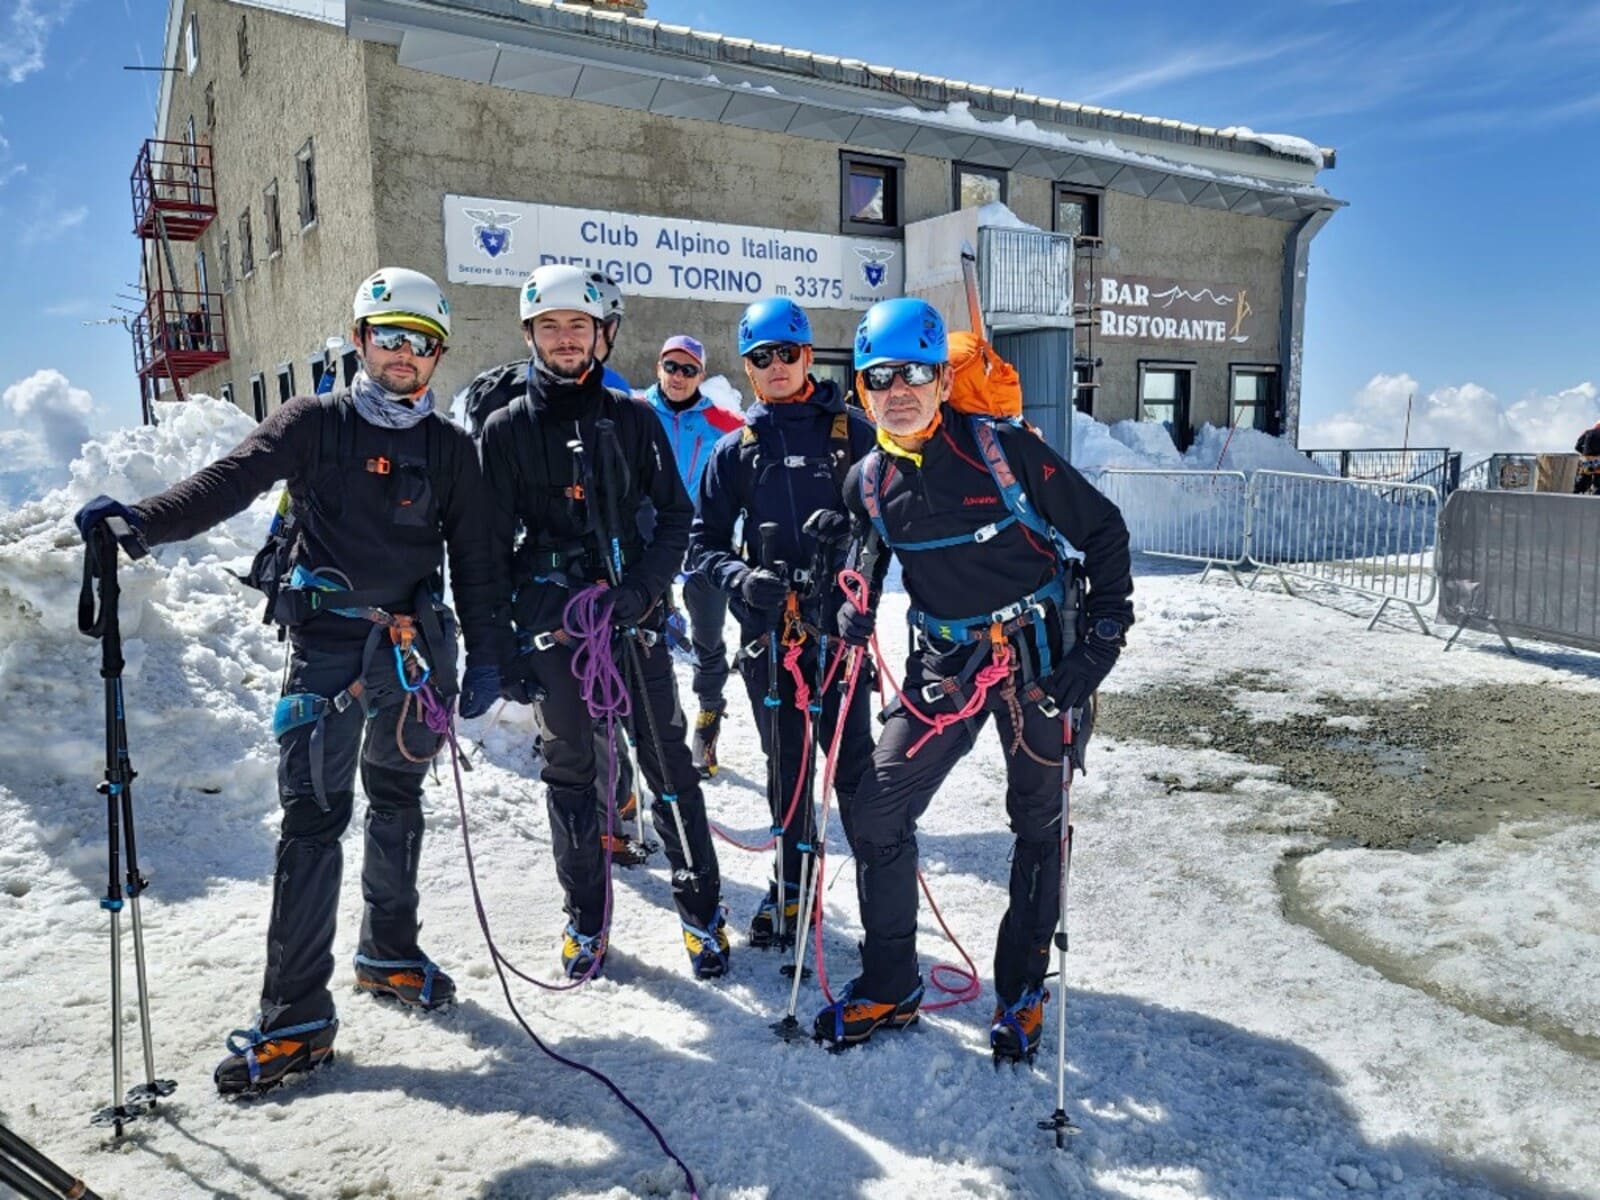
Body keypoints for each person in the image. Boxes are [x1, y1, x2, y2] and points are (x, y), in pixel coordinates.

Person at [73, 267, 510, 1094]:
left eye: (422, 343)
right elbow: (230, 480)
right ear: (360, 340)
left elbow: (479, 560)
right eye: (389, 336)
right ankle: (296, 1019)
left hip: (412, 657)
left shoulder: (451, 450)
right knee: (313, 824)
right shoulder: (316, 422)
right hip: (327, 656)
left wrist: (487, 656)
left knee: (398, 801)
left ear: (438, 355)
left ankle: (389, 950)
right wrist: (141, 521)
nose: (404, 355)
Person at [812, 298, 1133, 1059]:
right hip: (944, 666)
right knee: (878, 810)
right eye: (879, 376)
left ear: (941, 379)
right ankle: (891, 984)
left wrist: (1102, 642)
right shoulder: (866, 480)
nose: (899, 390)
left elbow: (1104, 531)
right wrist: (845, 611)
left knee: (1037, 826)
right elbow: (863, 564)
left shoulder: (1003, 452)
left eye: (916, 373)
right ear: (861, 388)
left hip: (1041, 662)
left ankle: (1020, 990)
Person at [478, 264, 727, 980]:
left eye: (577, 327)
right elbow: (488, 549)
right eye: (549, 326)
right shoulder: (506, 430)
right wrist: (503, 647)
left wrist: (647, 590)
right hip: (556, 622)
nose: (564, 340)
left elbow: (677, 515)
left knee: (667, 760)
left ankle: (701, 906)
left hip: (629, 612)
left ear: (602, 335)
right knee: (571, 770)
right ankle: (585, 917)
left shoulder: (634, 420)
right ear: (531, 334)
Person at [689, 297, 877, 950]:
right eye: (760, 358)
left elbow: (898, 523)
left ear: (808, 355)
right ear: (747, 367)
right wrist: (743, 580)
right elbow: (702, 544)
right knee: (787, 770)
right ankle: (794, 891)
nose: (775, 367)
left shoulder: (856, 433)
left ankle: (882, 906)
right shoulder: (734, 451)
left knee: (855, 773)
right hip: (769, 641)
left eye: (787, 354)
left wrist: (856, 562)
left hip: (840, 637)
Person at [643, 334, 743, 776]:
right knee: (645, 632)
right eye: (671, 367)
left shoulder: (724, 422)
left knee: (707, 634)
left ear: (701, 375)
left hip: (704, 539)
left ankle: (708, 716)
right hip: (648, 538)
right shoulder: (634, 413)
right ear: (658, 368)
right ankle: (659, 724)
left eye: (688, 369)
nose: (678, 376)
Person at [1574, 420, 1600, 495]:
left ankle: (1575, 495)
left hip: (1587, 459)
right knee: (1598, 484)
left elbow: (1577, 447)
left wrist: (1585, 453)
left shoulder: (1587, 432)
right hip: (1599, 460)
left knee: (1584, 481)